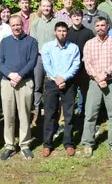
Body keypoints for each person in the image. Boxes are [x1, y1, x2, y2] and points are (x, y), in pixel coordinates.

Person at [81, 16, 112, 158]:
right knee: (90, 114)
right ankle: (88, 143)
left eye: (103, 25)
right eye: (98, 25)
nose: (100, 28)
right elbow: (87, 63)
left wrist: (105, 75)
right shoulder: (89, 44)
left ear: (107, 27)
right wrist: (98, 78)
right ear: (95, 27)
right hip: (94, 82)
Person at [0, 15, 39, 161]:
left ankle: (25, 145)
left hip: (25, 82)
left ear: (23, 25)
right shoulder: (5, 42)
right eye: (13, 25)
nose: (16, 27)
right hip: (7, 82)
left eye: (18, 25)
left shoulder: (31, 41)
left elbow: (32, 61)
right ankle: (9, 145)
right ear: (10, 26)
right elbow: (0, 62)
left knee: (24, 115)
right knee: (8, 115)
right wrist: (10, 75)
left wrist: (19, 76)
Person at [41, 22, 81, 157]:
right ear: (55, 32)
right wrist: (57, 79)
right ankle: (47, 144)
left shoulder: (73, 48)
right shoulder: (47, 47)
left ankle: (68, 143)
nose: (62, 33)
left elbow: (75, 65)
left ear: (67, 32)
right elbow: (47, 64)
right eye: (59, 31)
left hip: (68, 83)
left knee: (69, 115)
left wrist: (64, 78)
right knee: (50, 114)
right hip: (52, 83)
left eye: (64, 31)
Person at [29, 0, 61, 126]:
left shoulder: (57, 22)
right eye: (44, 6)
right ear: (40, 7)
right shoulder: (35, 23)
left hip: (54, 58)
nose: (46, 8)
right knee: (37, 86)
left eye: (48, 6)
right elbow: (33, 41)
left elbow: (60, 38)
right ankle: (37, 114)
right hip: (39, 58)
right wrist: (40, 50)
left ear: (51, 8)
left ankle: (54, 113)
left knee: (54, 85)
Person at [65, 8, 95, 118]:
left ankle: (85, 116)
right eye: (74, 16)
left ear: (82, 18)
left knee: (85, 94)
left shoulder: (88, 33)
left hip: (84, 69)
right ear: (71, 18)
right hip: (70, 69)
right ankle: (69, 118)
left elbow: (93, 49)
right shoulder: (67, 32)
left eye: (79, 16)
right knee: (70, 95)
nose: (77, 18)